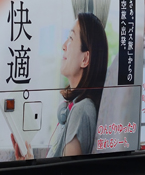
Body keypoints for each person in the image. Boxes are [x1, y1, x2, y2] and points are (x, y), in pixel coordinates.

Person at [12, 12, 108, 159]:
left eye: (70, 38)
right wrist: (29, 160)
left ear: (85, 58)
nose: (64, 46)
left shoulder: (81, 110)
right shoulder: (76, 107)